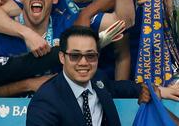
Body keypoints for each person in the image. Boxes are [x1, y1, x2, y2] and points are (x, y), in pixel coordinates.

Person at [26, 26, 155, 126]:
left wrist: (144, 90)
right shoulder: (44, 102)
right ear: (62, 58)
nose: (83, 63)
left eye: (90, 56)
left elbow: (119, 87)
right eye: (75, 56)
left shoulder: (98, 79)